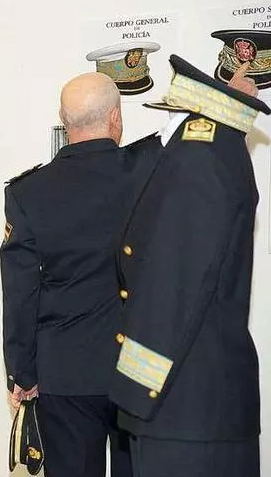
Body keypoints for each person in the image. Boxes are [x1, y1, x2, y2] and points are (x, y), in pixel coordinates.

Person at [109, 54, 270, 477]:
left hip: (179, 406)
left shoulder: (198, 158)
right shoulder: (218, 153)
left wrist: (136, 389)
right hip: (195, 405)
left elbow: (173, 285)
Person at [0, 72, 147, 477]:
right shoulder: (150, 175)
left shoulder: (28, 192)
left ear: (65, 122)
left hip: (65, 371)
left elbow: (20, 293)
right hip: (140, 367)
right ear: (115, 117)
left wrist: (22, 372)